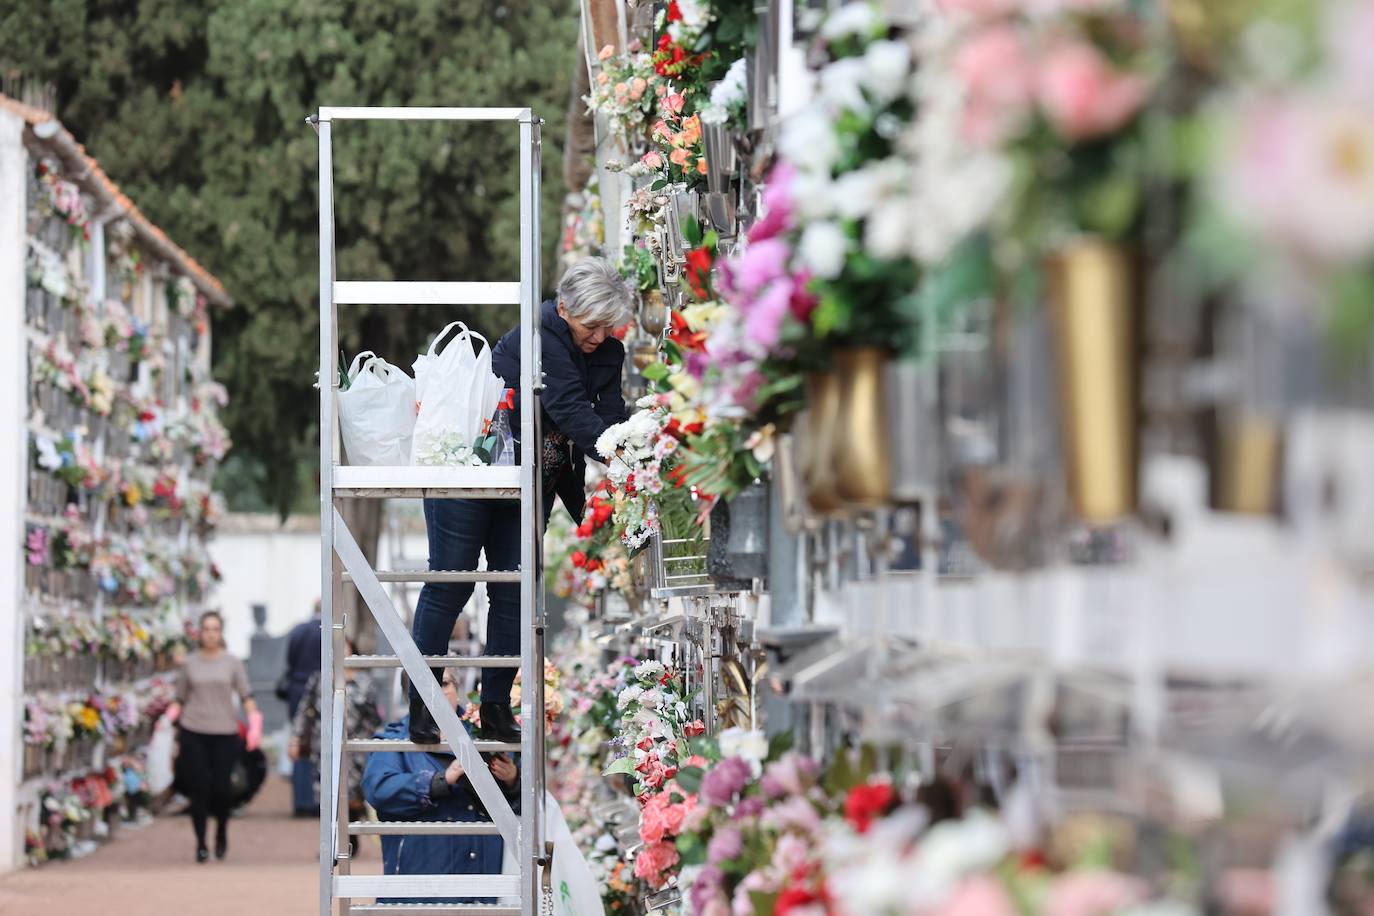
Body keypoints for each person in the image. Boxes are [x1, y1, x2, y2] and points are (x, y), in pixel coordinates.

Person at [408, 257, 632, 745]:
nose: (598, 337)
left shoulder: (608, 352)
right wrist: (621, 457)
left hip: (530, 482)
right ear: (566, 307)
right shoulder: (539, 336)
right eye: (591, 326)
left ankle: (494, 706)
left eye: (607, 327)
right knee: (451, 583)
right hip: (473, 471)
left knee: (513, 591)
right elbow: (570, 408)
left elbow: (609, 414)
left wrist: (633, 447)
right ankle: (423, 704)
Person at [364, 667, 520, 904]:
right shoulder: (393, 740)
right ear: (411, 695)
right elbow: (379, 789)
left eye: (444, 684)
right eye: (426, 685)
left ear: (457, 689)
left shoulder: (486, 735)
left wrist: (511, 779)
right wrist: (441, 779)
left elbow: (524, 803)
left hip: (484, 887)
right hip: (420, 890)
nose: (437, 692)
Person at [175, 610, 261, 863]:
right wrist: (167, 721)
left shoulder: (232, 663)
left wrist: (254, 723)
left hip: (224, 731)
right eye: (206, 629)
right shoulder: (190, 663)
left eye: (215, 629)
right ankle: (201, 842)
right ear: (200, 633)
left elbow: (246, 695)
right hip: (194, 729)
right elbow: (180, 698)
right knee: (199, 787)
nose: (211, 634)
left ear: (221, 633)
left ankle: (221, 831)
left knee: (222, 789)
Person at [289, 639, 383, 843]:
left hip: (356, 747)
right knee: (328, 794)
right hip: (325, 746)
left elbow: (375, 716)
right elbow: (305, 710)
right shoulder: (319, 679)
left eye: (345, 648)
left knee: (353, 794)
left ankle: (349, 835)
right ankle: (333, 841)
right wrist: (296, 739)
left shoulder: (365, 681)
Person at [281, 599, 322, 815]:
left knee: (299, 741)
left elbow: (289, 661)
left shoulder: (297, 631)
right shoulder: (328, 631)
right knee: (318, 743)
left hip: (297, 690)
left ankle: (301, 801)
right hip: (321, 690)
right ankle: (316, 800)